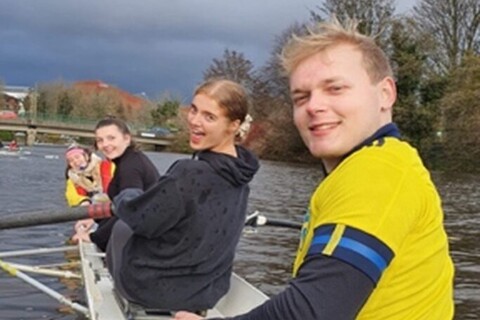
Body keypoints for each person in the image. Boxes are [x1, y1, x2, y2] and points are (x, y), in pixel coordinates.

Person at [174, 18, 454, 320]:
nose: (314, 106)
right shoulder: (379, 164)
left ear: (385, 93)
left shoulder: (377, 170)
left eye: (335, 88)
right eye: (301, 97)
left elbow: (314, 310)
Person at [106, 79, 259, 313]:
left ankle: (124, 301)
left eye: (209, 117)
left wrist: (127, 195)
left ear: (233, 125)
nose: (195, 121)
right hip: (207, 293)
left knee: (121, 228)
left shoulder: (188, 172)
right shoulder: (241, 177)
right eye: (194, 109)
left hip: (157, 293)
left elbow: (141, 220)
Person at [72, 117, 160, 251]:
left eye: (111, 138)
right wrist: (95, 219)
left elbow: (130, 211)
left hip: (148, 240)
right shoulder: (131, 159)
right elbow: (119, 206)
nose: (105, 144)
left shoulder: (130, 167)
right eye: (100, 140)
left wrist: (93, 237)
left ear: (126, 139)